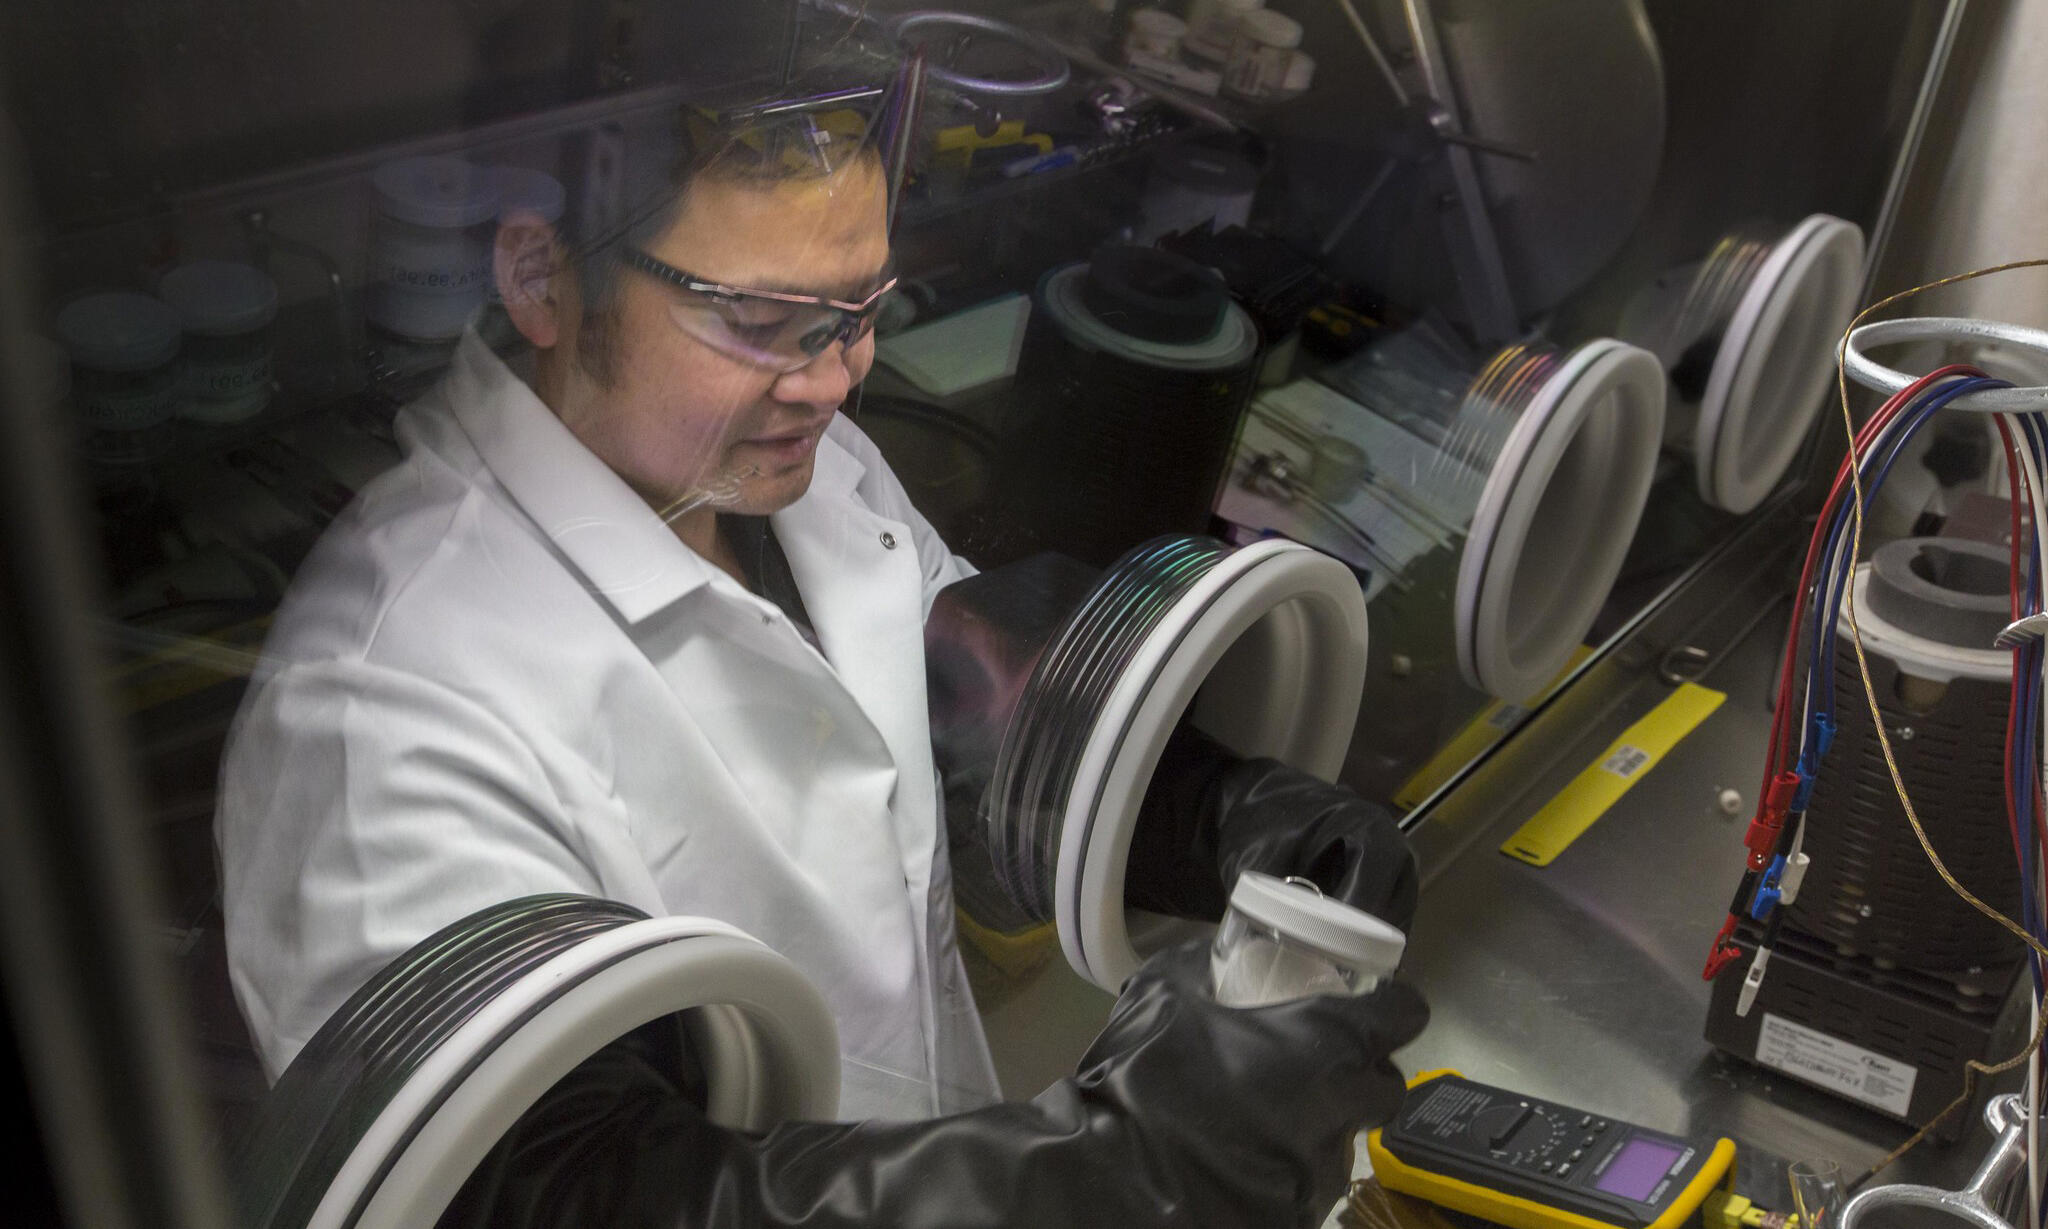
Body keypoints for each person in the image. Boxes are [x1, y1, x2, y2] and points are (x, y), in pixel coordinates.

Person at [217, 96, 1425, 1226]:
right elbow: (561, 1189)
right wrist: (1089, 1179)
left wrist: (1227, 815)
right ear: (541, 276)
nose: (836, 377)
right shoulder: (381, 705)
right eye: (760, 324)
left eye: (859, 313)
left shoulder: (791, 465)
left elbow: (967, 710)